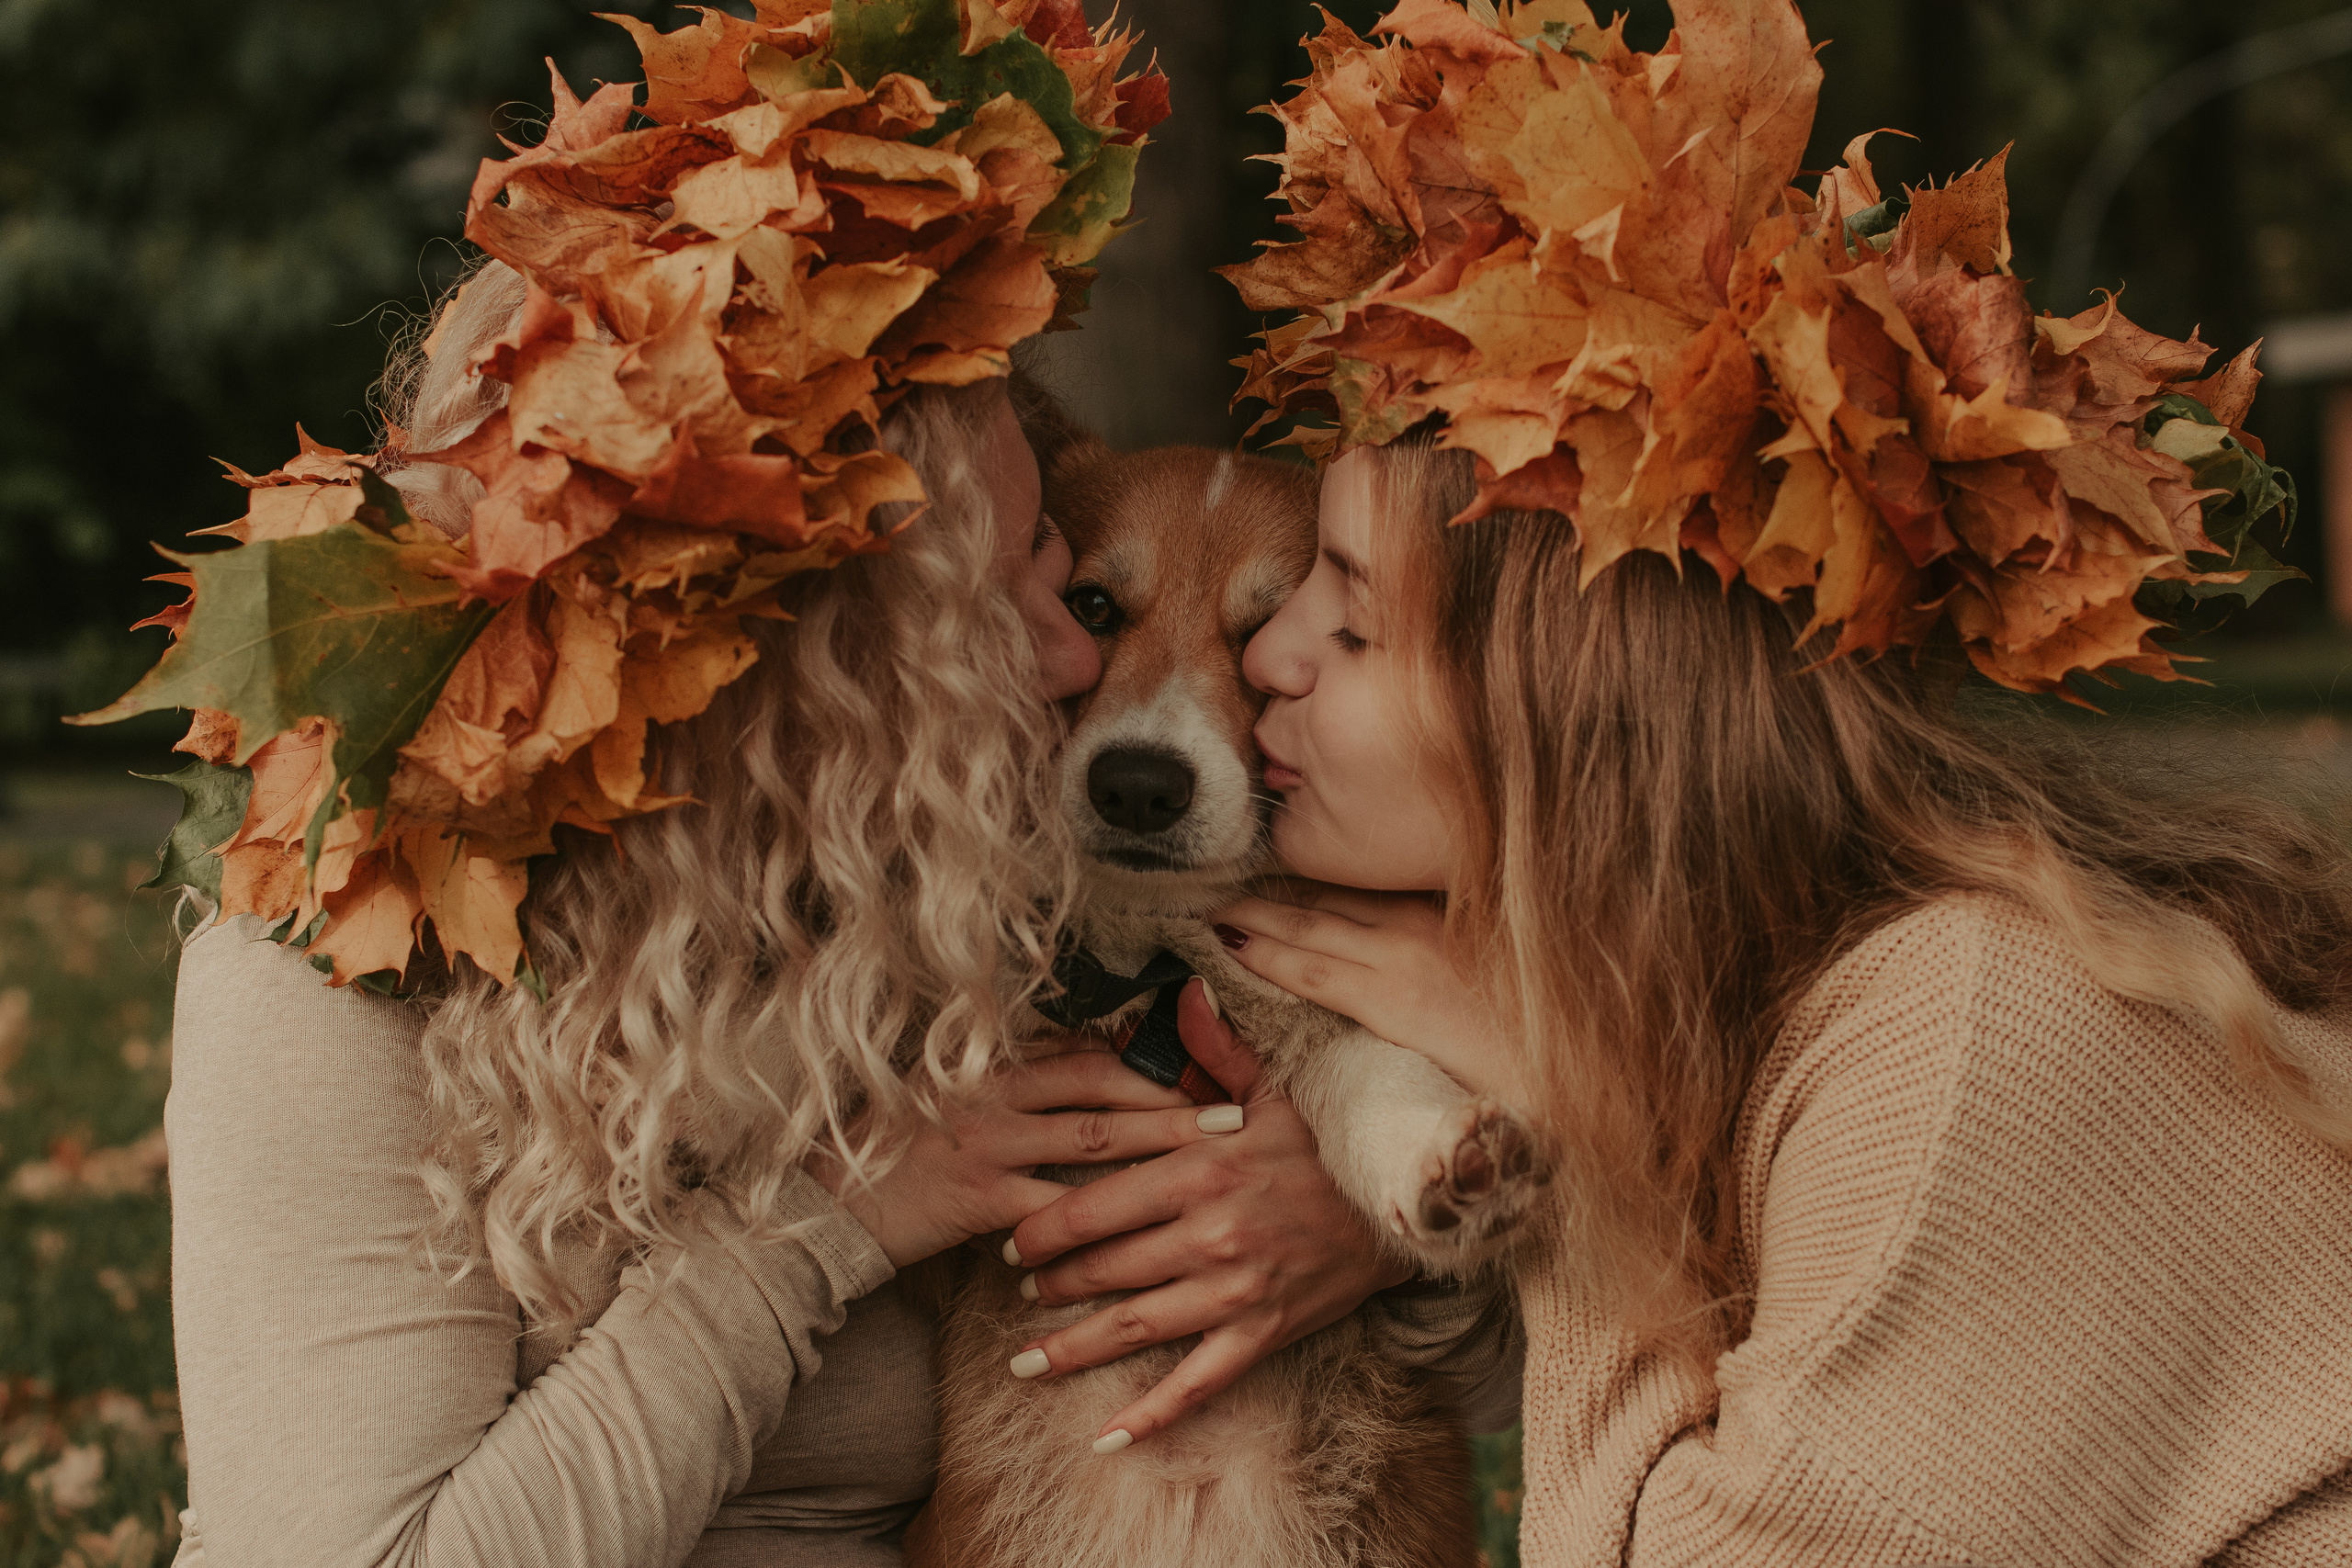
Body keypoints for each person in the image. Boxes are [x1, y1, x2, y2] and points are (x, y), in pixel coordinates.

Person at [153, 8, 1517, 1563]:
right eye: (1027, 586)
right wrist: (834, 1225)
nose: (1088, 680)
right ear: (829, 648)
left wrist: (1346, 1221)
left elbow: (1482, 1366)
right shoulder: (338, 959)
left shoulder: (946, 891)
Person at [1200, 3, 2352, 1562]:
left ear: (1572, 718)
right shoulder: (1778, 999)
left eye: (1353, 619)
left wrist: (1568, 1144)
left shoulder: (1963, 1039)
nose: (1267, 656)